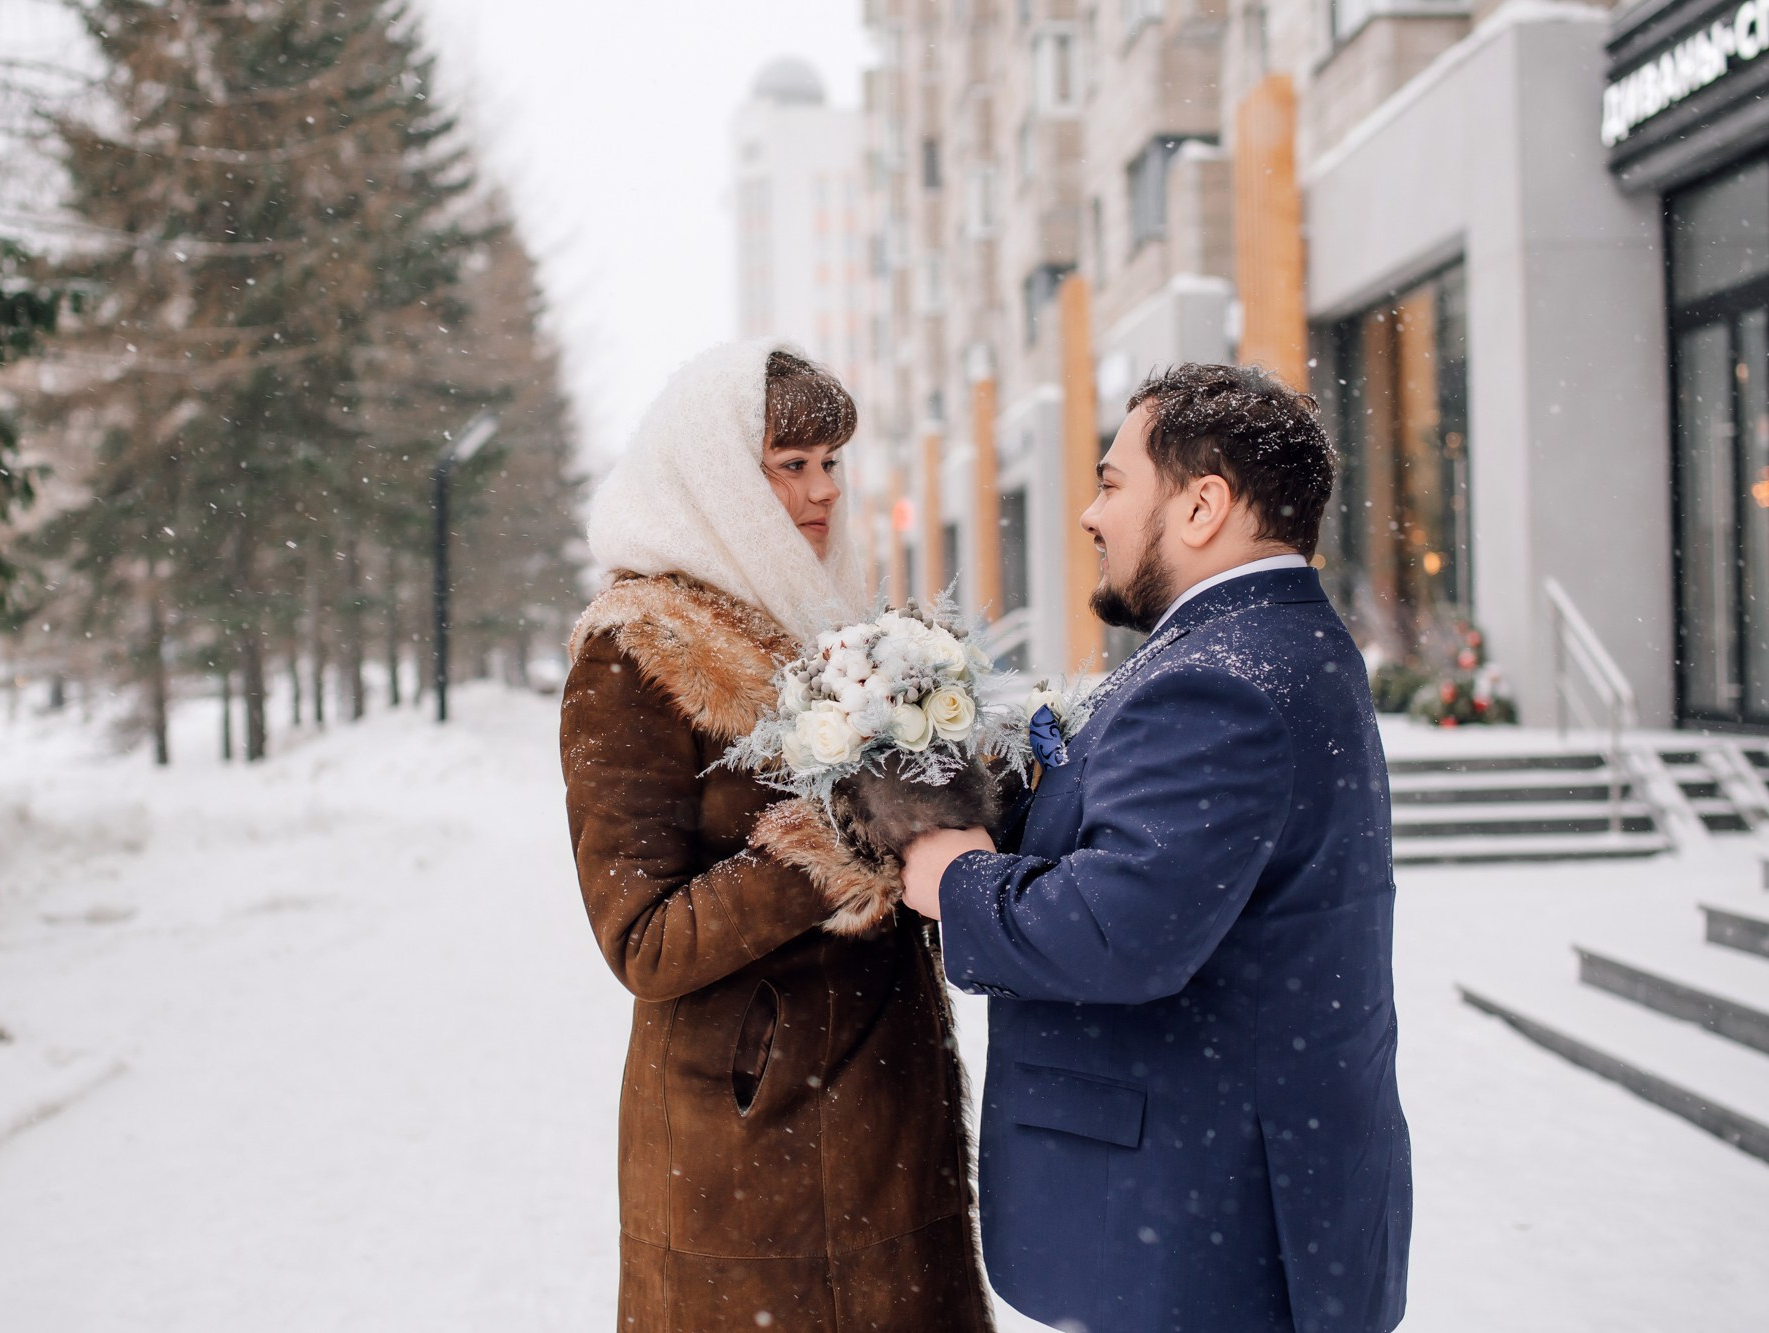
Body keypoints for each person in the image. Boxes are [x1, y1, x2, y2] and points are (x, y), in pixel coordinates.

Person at [900, 363, 1412, 1333]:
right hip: (1237, 1216)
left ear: (1201, 505)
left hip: (1196, 1233)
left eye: (1110, 482)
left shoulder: (1219, 680)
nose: (1091, 515)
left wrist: (955, 880)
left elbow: (1118, 928)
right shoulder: (1276, 644)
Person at [561, 341, 995, 1333]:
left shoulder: (832, 624)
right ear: (714, 475)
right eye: (787, 465)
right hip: (749, 1151)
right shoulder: (632, 650)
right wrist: (828, 842)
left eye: (831, 462)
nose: (822, 491)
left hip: (890, 1110)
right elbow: (643, 941)